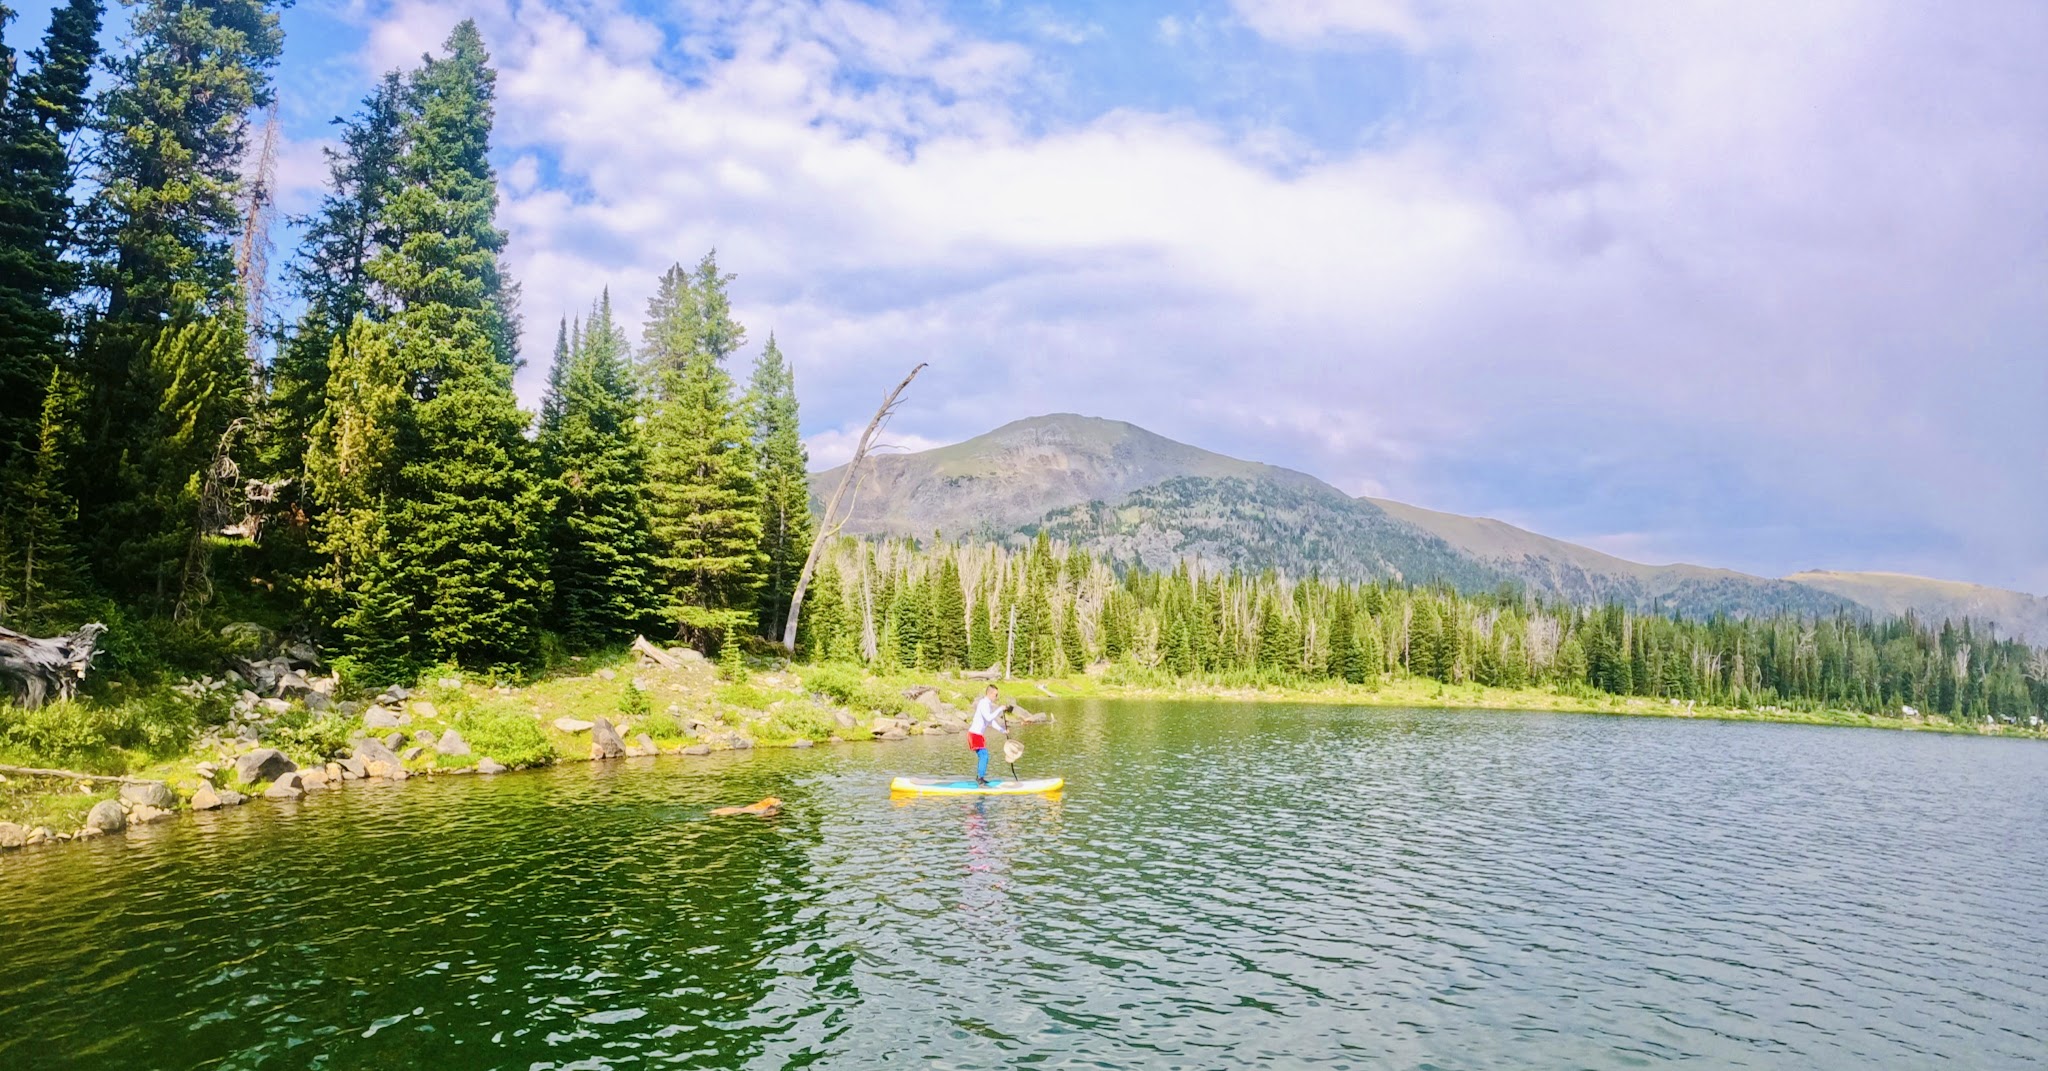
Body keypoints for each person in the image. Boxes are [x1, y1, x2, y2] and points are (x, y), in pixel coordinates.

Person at [968, 684, 1010, 786]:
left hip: (978, 735)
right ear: (990, 694)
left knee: (984, 756)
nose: (997, 697)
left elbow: (990, 722)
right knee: (984, 755)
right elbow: (988, 718)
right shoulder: (983, 703)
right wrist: (999, 709)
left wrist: (1003, 730)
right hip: (974, 734)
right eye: (996, 695)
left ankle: (980, 777)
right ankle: (980, 778)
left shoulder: (988, 704)